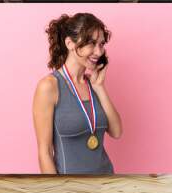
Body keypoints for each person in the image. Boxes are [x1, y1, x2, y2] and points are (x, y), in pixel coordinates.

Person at [32, 13, 122, 174]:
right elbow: (44, 152)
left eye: (101, 44)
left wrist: (100, 87)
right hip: (70, 191)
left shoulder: (93, 84)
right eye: (92, 43)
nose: (98, 51)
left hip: (107, 183)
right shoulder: (49, 87)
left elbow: (116, 132)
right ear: (69, 43)